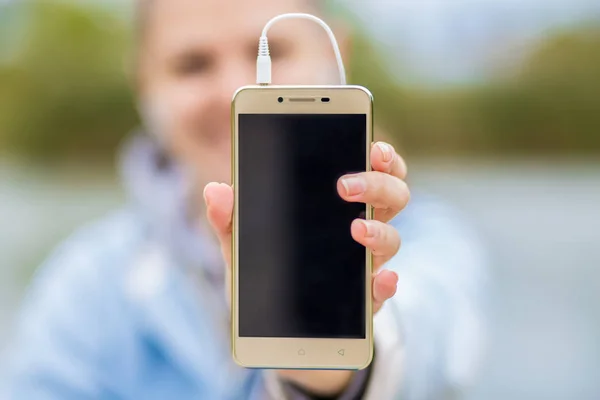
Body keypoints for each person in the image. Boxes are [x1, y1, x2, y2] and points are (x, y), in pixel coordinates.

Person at [0, 0, 487, 399]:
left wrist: (327, 370)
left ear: (336, 52)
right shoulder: (86, 282)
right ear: (144, 84)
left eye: (276, 49)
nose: (236, 89)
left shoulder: (430, 241)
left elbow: (430, 348)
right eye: (193, 64)